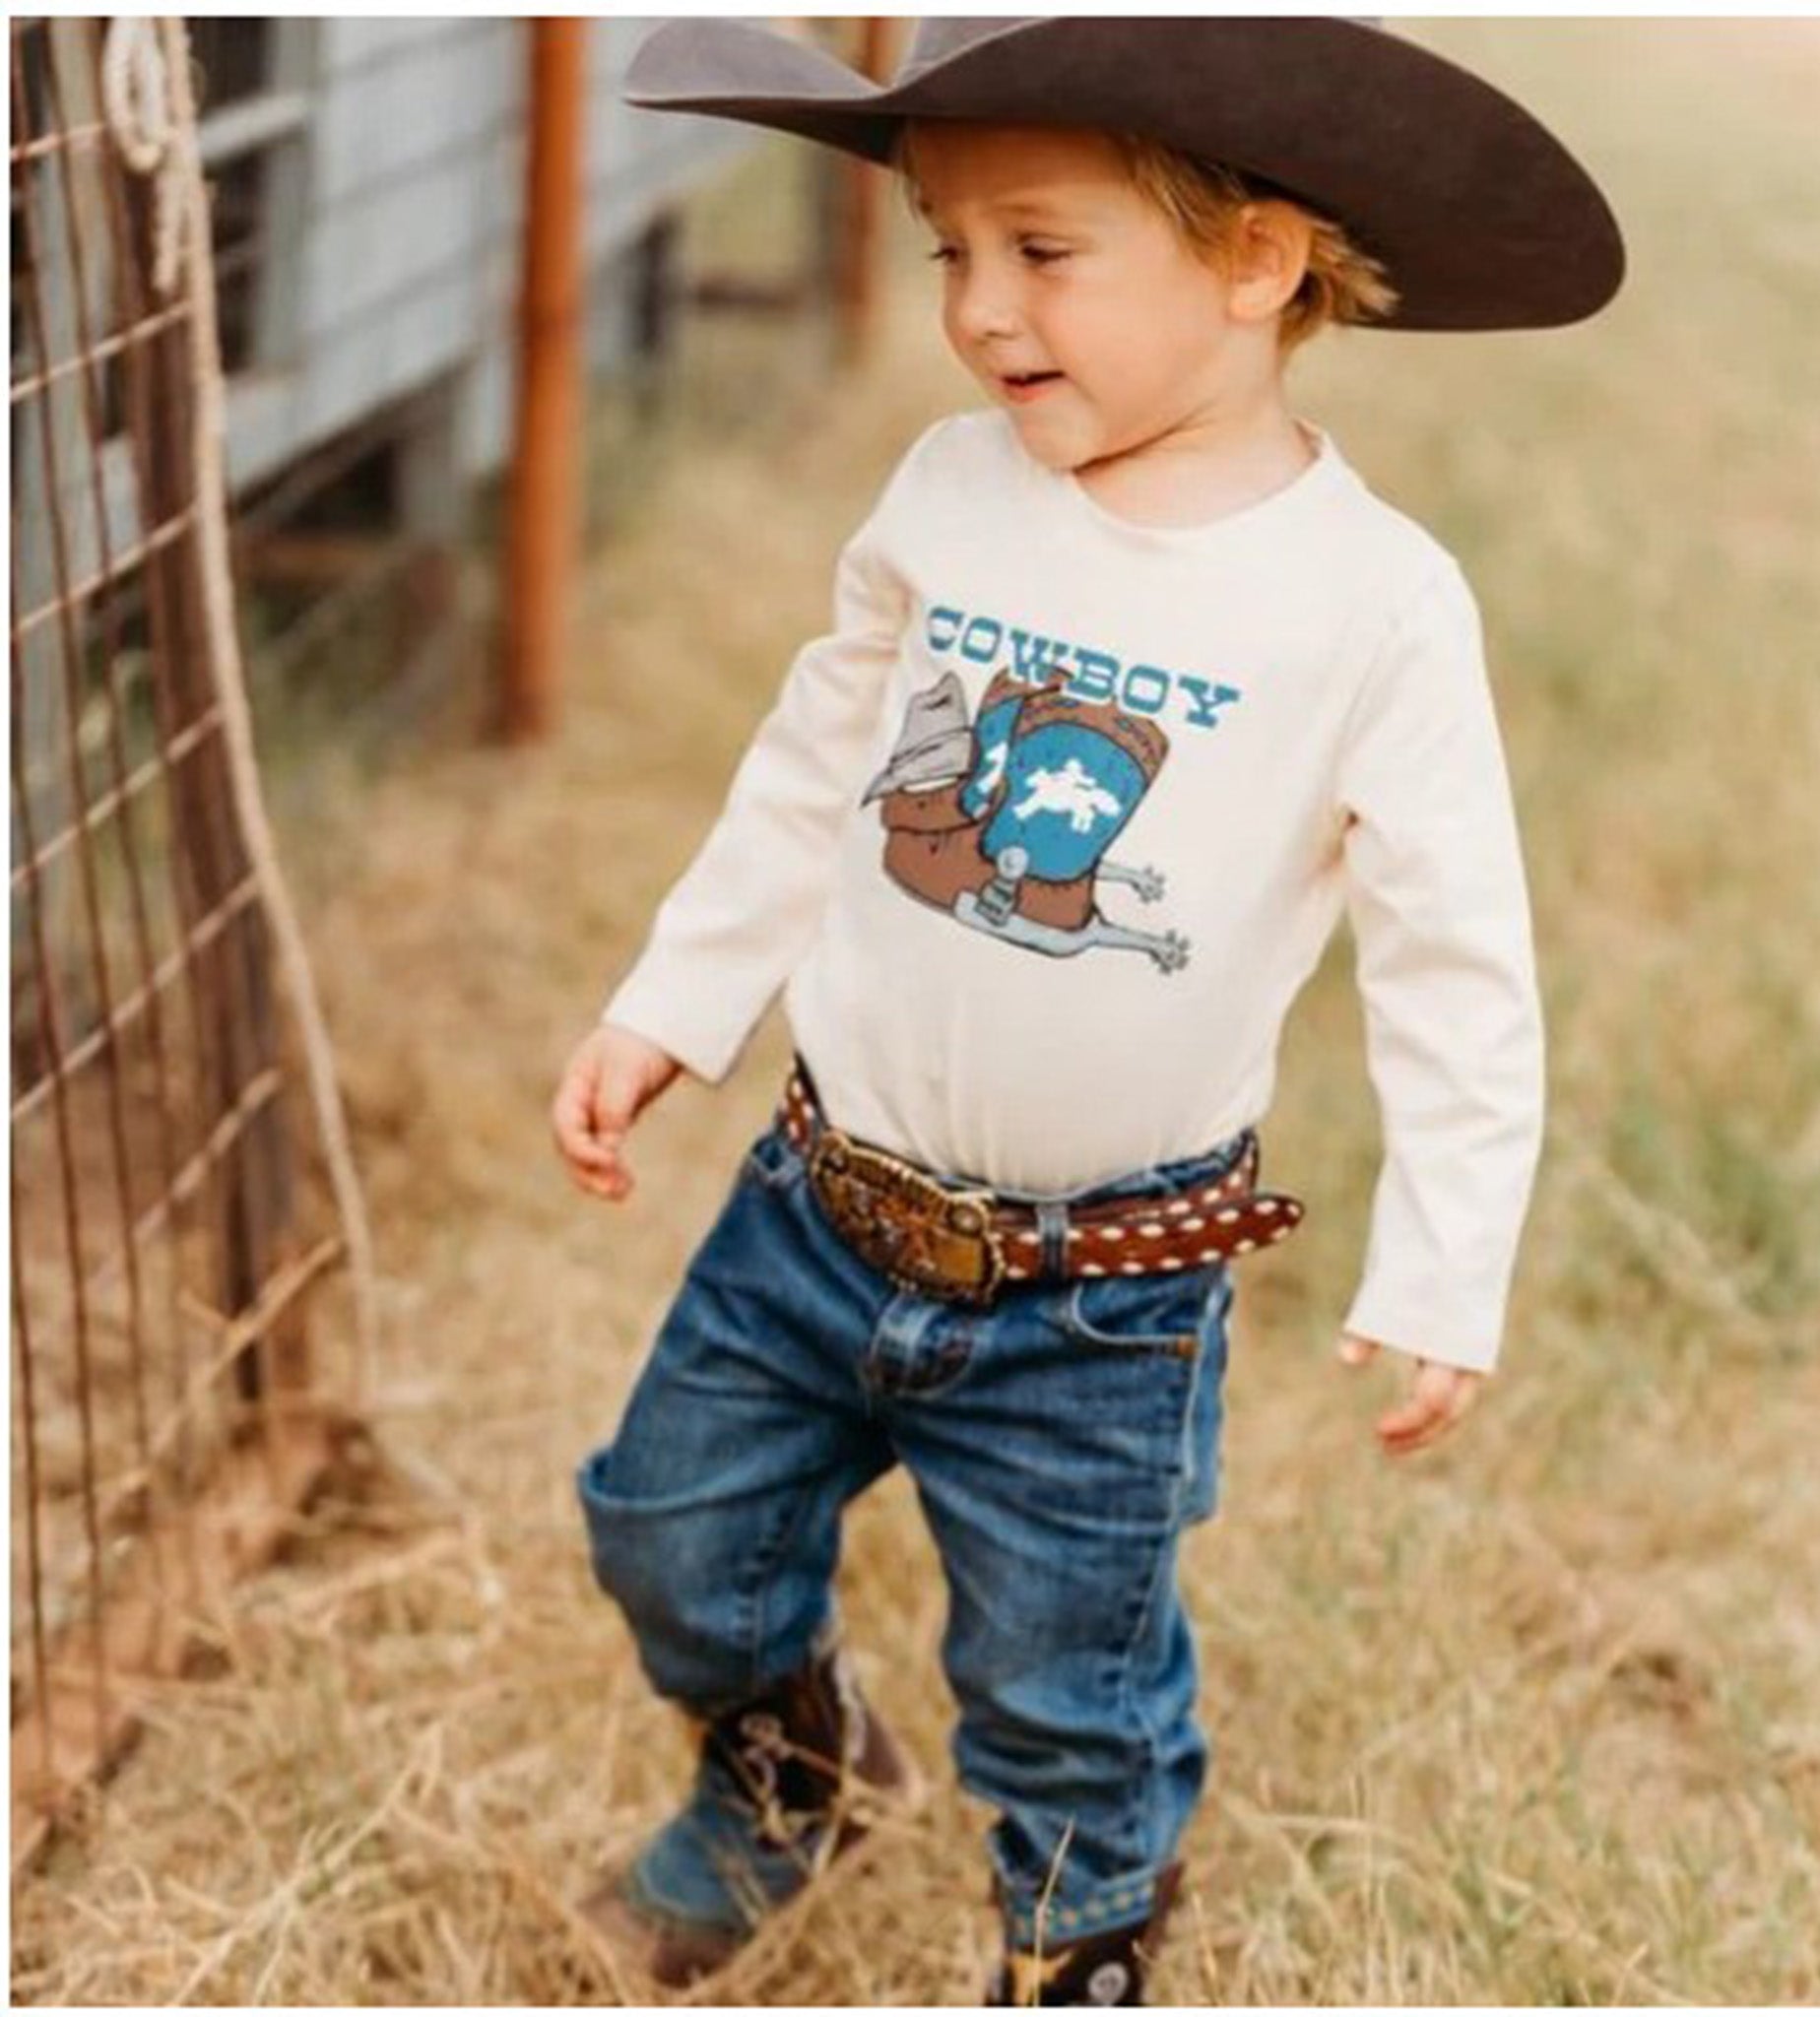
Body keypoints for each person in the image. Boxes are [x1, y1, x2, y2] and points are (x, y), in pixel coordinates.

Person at [551, 19, 1624, 2006]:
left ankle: (1080, 1945)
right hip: (815, 1211)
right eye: (949, 249)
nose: (975, 312)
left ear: (1255, 259)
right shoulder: (953, 492)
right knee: (665, 1536)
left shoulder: (1370, 603)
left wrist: (1446, 1254)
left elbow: (1454, 949)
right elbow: (818, 761)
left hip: (1097, 1297)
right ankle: (785, 1775)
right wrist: (673, 998)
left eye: (1040, 251)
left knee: (1060, 1673)